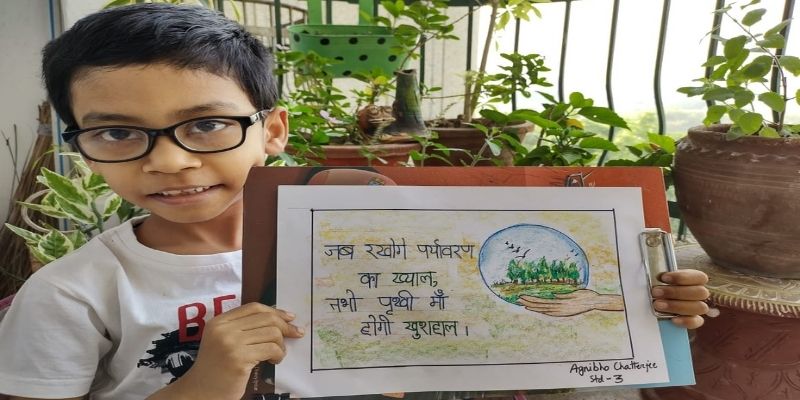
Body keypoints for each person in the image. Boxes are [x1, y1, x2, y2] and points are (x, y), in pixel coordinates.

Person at [0, 3, 710, 400]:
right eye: (118, 132)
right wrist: (210, 378)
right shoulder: (71, 294)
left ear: (272, 131)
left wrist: (630, 307)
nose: (169, 159)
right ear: (80, 143)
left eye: (207, 124)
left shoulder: (362, 243)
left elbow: (494, 319)